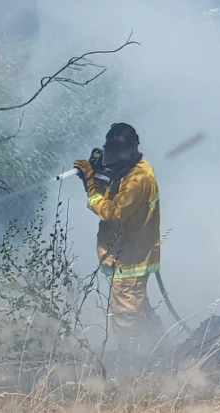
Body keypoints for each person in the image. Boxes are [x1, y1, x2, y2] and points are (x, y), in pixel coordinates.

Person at [73, 122, 164, 353]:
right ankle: (163, 349)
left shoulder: (138, 179)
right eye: (109, 150)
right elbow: (113, 189)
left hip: (130, 261)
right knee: (138, 307)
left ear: (134, 148)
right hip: (126, 255)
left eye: (117, 152)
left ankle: (130, 364)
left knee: (125, 318)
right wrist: (100, 168)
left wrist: (91, 186)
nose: (112, 156)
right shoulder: (127, 168)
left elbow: (113, 212)